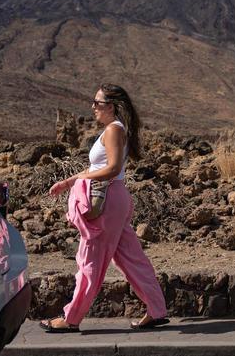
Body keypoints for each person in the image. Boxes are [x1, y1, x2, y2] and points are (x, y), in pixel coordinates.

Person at [39, 84, 169, 333]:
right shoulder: (114, 130)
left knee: (90, 260)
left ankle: (71, 318)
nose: (93, 107)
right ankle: (156, 310)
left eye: (97, 103)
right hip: (115, 198)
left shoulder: (113, 131)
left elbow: (111, 168)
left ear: (111, 106)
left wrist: (79, 182)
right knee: (132, 258)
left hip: (107, 201)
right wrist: (68, 183)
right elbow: (101, 169)